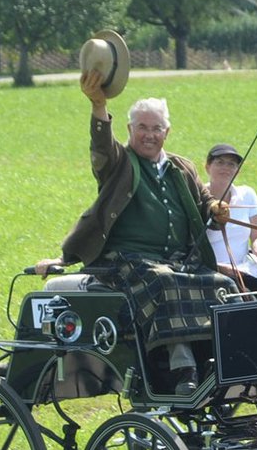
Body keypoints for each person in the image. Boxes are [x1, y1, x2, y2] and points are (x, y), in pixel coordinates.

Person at [35, 65, 235, 396]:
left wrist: (216, 209)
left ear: (167, 133)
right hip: (123, 260)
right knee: (164, 282)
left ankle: (218, 363)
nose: (149, 134)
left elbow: (204, 203)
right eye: (142, 127)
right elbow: (101, 147)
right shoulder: (119, 163)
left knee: (223, 284)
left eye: (156, 128)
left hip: (176, 260)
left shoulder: (180, 167)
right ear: (129, 129)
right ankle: (181, 366)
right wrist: (98, 107)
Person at [203, 143, 257, 295]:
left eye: (231, 164)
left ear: (237, 172)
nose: (226, 167)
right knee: (244, 295)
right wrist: (219, 268)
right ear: (207, 167)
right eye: (220, 162)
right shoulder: (198, 199)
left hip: (245, 270)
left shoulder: (247, 195)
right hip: (212, 272)